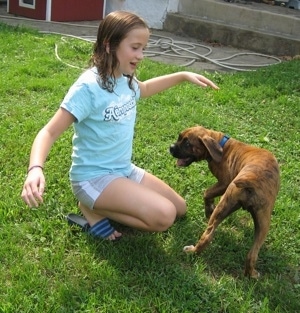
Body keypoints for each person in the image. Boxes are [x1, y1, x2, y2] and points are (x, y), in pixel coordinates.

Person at [21, 11, 219, 241]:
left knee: (179, 208)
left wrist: (183, 75)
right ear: (109, 45)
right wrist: (35, 168)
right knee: (165, 216)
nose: (141, 55)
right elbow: (48, 132)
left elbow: (143, 89)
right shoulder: (87, 88)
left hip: (123, 170)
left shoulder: (125, 78)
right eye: (135, 47)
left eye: (143, 48)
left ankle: (104, 203)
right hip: (92, 178)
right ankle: (91, 207)